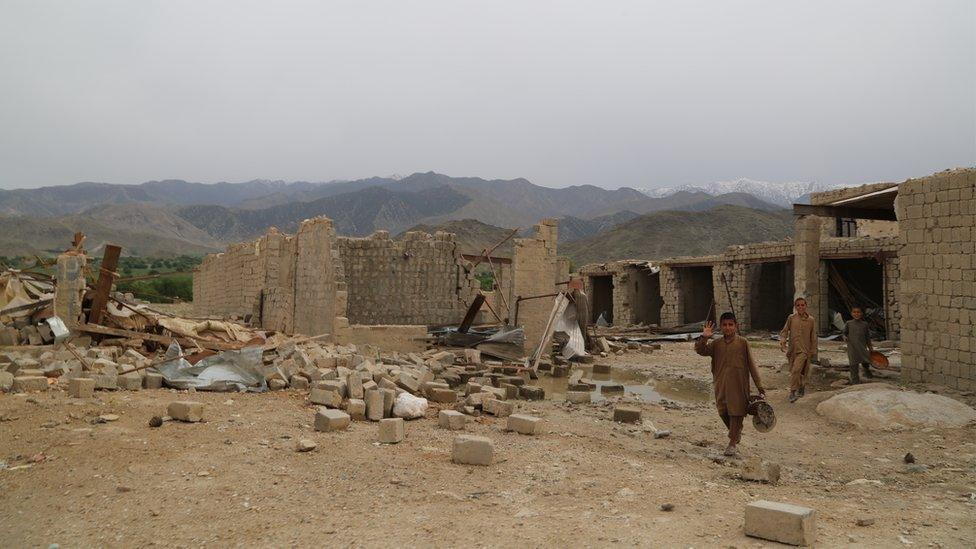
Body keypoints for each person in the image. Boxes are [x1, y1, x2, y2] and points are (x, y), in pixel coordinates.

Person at [695, 312, 765, 456]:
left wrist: (760, 387)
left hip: (738, 385)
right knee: (723, 411)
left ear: (736, 326)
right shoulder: (716, 344)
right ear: (721, 327)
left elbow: (752, 365)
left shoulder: (743, 343)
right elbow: (701, 350)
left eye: (730, 325)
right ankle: (736, 432)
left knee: (736, 412)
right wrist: (705, 337)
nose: (728, 328)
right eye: (725, 325)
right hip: (721, 384)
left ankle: (732, 443)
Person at [780, 297, 817, 403]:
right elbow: (785, 331)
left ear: (806, 306)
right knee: (796, 371)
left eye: (802, 305)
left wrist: (813, 350)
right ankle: (801, 386)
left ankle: (792, 392)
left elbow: (813, 336)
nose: (800, 307)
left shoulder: (811, 320)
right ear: (795, 307)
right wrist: (783, 341)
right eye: (798, 305)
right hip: (792, 350)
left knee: (796, 370)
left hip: (804, 350)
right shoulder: (791, 318)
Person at [843, 306, 874, 384]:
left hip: (862, 347)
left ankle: (867, 371)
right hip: (852, 348)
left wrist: (870, 348)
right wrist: (844, 337)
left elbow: (867, 337)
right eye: (854, 312)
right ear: (851, 314)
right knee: (853, 364)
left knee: (866, 361)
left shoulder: (864, 324)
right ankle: (855, 381)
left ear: (861, 314)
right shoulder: (849, 323)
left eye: (858, 312)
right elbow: (844, 333)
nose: (856, 314)